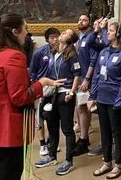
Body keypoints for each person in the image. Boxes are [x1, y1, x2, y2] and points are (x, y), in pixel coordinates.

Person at [0, 13, 63, 180]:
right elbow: (19, 97)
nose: (26, 33)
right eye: (25, 29)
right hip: (5, 129)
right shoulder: (14, 56)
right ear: (14, 31)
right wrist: (42, 83)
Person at [87, 22, 121, 179]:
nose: (107, 33)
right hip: (102, 98)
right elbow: (97, 75)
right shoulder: (104, 52)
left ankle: (118, 164)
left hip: (116, 99)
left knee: (117, 132)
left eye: (111, 31)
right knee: (104, 131)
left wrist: (119, 102)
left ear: (118, 34)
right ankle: (107, 162)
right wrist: (92, 96)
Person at [35, 29, 81, 175]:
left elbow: (77, 75)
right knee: (52, 125)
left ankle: (69, 160)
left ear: (70, 39)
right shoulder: (53, 52)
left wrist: (72, 92)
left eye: (66, 33)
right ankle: (52, 156)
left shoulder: (73, 55)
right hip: (51, 93)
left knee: (67, 128)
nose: (62, 33)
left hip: (65, 93)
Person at [29, 27, 61, 156]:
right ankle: (42, 143)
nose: (55, 39)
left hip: (56, 87)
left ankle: (51, 142)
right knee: (40, 116)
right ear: (47, 39)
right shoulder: (40, 52)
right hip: (41, 88)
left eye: (56, 36)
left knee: (53, 116)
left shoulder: (62, 52)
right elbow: (32, 72)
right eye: (52, 37)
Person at [74, 14, 98, 156]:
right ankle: (84, 136)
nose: (80, 21)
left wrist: (87, 78)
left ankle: (84, 140)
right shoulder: (77, 38)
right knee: (80, 107)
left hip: (87, 78)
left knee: (83, 107)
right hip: (78, 77)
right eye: (79, 19)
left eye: (84, 20)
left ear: (89, 23)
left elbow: (93, 60)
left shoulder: (91, 37)